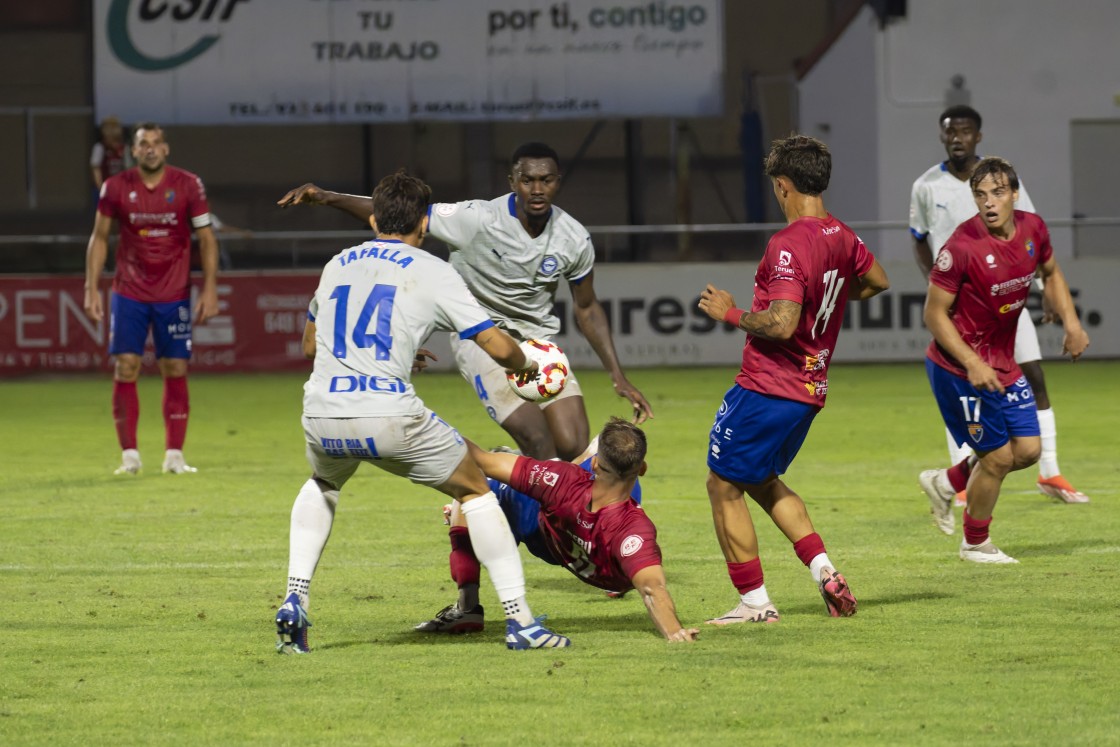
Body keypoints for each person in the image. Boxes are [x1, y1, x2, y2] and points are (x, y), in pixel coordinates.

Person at [275, 169, 571, 654]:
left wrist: (392, 348)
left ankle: (295, 598)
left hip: (323, 412)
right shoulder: (432, 269)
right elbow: (495, 345)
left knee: (324, 483)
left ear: (374, 219)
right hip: (389, 414)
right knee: (475, 488)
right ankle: (521, 623)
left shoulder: (337, 264)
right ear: (423, 224)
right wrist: (527, 365)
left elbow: (311, 345)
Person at [276, 142, 653, 463]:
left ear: (558, 182)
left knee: (572, 446)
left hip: (539, 346)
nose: (537, 189)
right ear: (513, 182)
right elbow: (401, 214)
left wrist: (617, 375)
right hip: (481, 340)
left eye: (546, 180)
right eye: (528, 180)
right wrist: (327, 197)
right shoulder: (476, 218)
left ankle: (511, 470)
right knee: (539, 441)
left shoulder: (573, 238)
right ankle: (549, 525)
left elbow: (587, 308)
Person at [697, 134, 889, 624]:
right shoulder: (843, 235)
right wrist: (835, 301)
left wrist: (731, 312)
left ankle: (754, 602)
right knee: (760, 479)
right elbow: (878, 281)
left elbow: (781, 323)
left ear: (783, 186)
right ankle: (825, 571)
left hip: (768, 385)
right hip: (808, 390)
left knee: (722, 484)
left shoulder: (788, 243)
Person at [910, 105, 1088, 510]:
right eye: (950, 130)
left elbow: (1039, 254)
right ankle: (964, 496)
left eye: (965, 129)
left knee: (1035, 381)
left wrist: (1057, 307)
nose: (957, 136)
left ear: (978, 135)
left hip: (1008, 308)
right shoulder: (927, 187)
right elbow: (918, 237)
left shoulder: (1011, 190)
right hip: (964, 311)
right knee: (969, 395)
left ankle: (1049, 469)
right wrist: (935, 284)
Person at [414, 417, 699, 643]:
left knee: (472, 486)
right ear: (644, 469)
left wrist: (420, 421)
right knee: (608, 458)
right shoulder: (634, 528)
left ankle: (467, 608)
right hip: (593, 551)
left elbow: (479, 458)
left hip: (543, 532)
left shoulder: (562, 482)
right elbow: (652, 589)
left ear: (596, 465)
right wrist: (675, 631)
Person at [83, 122, 219, 475]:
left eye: (157, 143)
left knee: (174, 367)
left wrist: (210, 288)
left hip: (173, 294)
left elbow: (206, 238)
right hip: (129, 292)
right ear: (134, 150)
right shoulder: (114, 187)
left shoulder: (189, 184)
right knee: (125, 365)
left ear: (166, 149)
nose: (151, 148)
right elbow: (99, 238)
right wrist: (90, 288)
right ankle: (129, 456)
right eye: (144, 143)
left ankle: (174, 455)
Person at [89, 116, 130, 193]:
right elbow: (95, 168)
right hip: (103, 187)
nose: (116, 144)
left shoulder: (123, 148)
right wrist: (101, 187)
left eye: (118, 140)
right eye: (114, 140)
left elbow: (127, 168)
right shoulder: (100, 148)